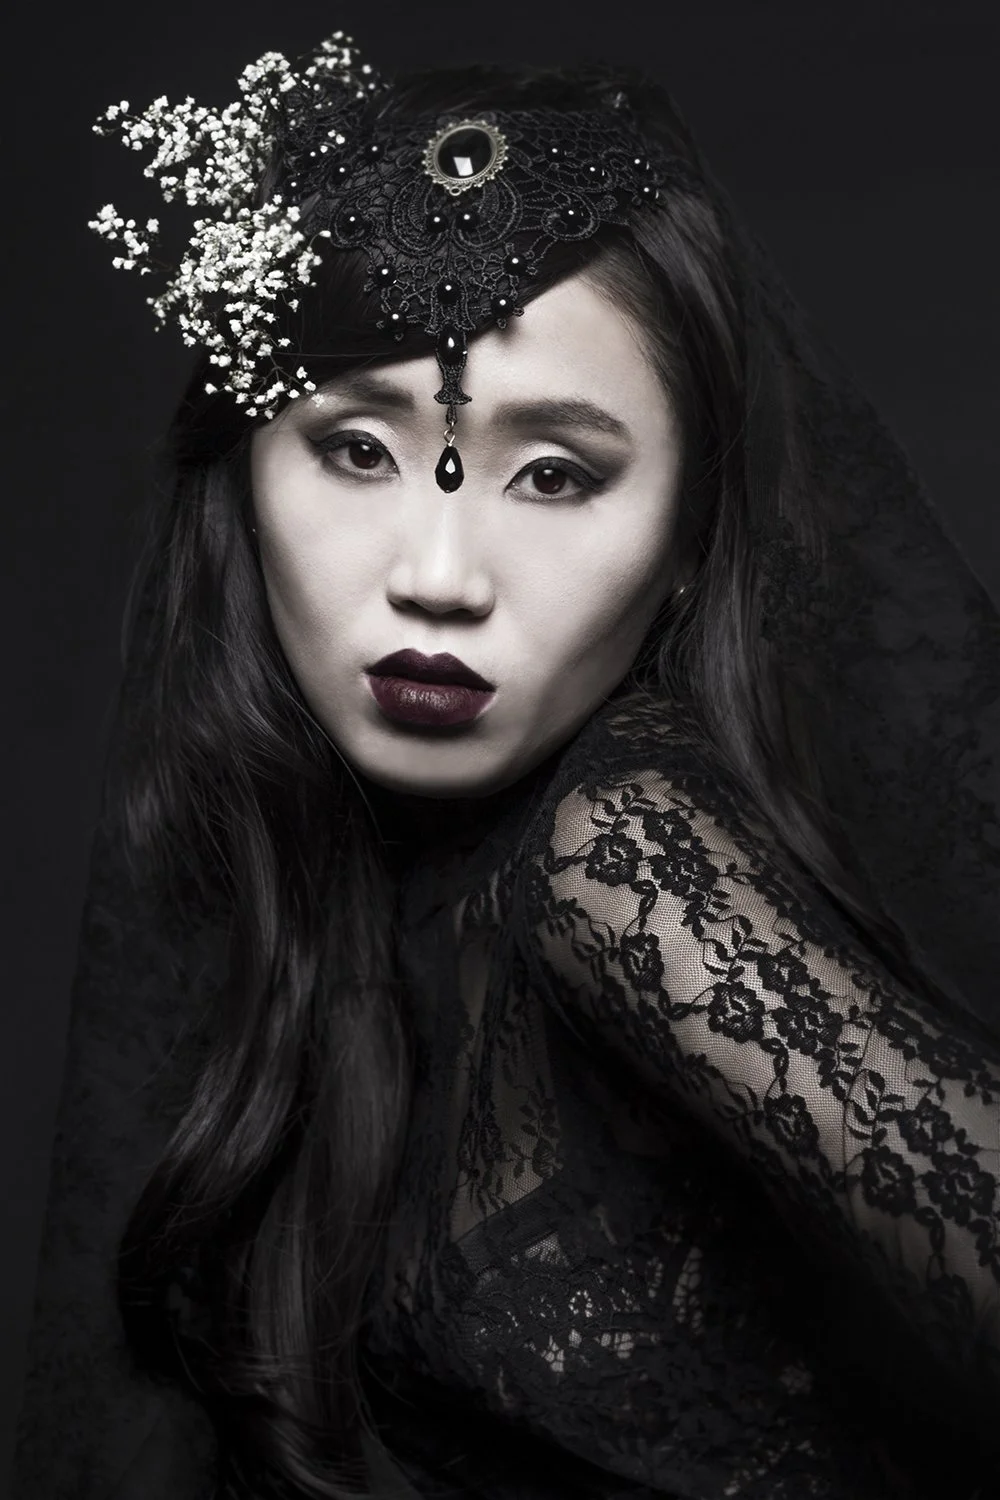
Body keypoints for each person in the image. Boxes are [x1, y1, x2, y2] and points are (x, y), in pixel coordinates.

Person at [12, 30, 1000, 1500]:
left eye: (557, 475)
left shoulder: (627, 851)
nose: (439, 575)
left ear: (681, 551)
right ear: (243, 484)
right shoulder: (320, 888)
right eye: (356, 449)